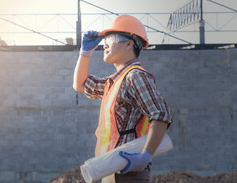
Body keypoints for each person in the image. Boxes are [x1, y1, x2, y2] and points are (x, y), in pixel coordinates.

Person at [73, 15, 173, 183]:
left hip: (129, 172)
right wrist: (85, 53)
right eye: (105, 39)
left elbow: (160, 116)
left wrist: (145, 156)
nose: (105, 44)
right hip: (110, 169)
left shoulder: (136, 76)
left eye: (111, 38)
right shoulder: (115, 81)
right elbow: (81, 85)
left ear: (129, 43)